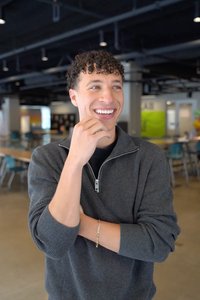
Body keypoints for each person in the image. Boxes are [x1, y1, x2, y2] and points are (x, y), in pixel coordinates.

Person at [28, 50, 180, 300]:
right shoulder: (47, 159)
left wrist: (81, 224)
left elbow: (159, 243)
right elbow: (52, 243)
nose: (108, 97)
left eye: (116, 86)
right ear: (74, 97)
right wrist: (75, 160)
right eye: (95, 86)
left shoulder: (149, 157)